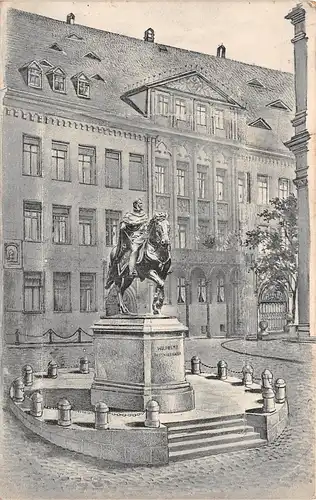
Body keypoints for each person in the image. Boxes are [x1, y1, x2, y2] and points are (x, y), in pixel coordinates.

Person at [118, 199, 148, 276]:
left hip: (144, 235)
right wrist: (125, 225)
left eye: (141, 204)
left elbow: (147, 224)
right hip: (133, 236)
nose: (141, 205)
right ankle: (132, 270)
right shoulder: (129, 215)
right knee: (134, 250)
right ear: (135, 204)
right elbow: (123, 225)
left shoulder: (144, 215)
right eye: (140, 203)